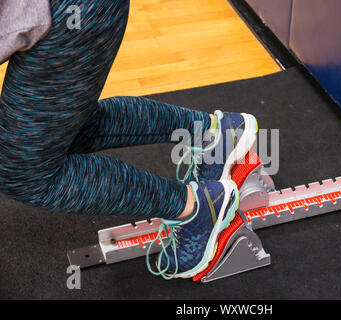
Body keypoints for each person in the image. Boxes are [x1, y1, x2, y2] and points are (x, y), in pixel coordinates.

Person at [0, 0, 258, 279]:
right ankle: (215, 134)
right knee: (58, 133)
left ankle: (197, 208)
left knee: (21, 171)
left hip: (63, 14)